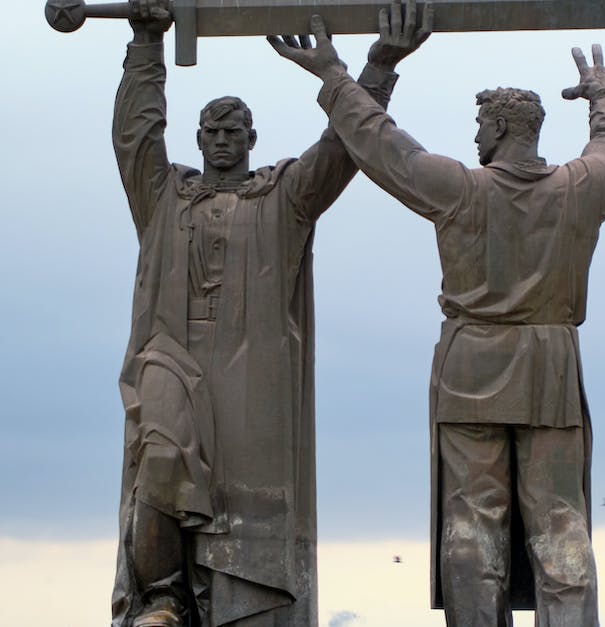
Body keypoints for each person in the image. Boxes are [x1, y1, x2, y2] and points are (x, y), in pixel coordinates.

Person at [271, 17, 605, 626]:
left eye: (479, 126)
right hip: (549, 365)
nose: (475, 138)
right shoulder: (583, 187)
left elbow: (382, 144)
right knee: (560, 524)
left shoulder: (459, 189)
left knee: (472, 525)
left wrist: (335, 75)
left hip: (471, 366)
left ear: (497, 128)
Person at [110, 2, 430, 626]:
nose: (223, 140)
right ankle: (162, 599)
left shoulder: (283, 196)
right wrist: (146, 42)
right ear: (198, 138)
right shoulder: (162, 194)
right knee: (158, 456)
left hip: (251, 375)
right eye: (212, 131)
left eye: (235, 131)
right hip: (169, 356)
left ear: (252, 139)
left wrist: (378, 65)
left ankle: (231, 605)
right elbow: (135, 135)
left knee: (245, 507)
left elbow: (343, 149)